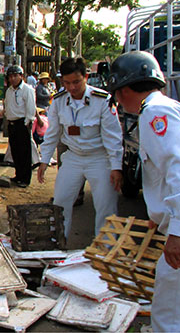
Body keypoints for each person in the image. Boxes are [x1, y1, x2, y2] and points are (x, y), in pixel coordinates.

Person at [108, 51, 180, 333]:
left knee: (174, 317)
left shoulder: (155, 114)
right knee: (174, 302)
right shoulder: (167, 107)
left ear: (122, 91)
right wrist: (163, 216)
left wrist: (179, 232)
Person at [37, 57, 123, 236]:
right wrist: (44, 160)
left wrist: (116, 166)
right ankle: (58, 245)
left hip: (99, 158)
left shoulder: (102, 100)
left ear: (86, 77)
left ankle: (105, 251)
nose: (72, 88)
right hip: (73, 157)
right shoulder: (59, 101)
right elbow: (52, 133)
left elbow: (113, 137)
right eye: (67, 83)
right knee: (60, 203)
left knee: (106, 206)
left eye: (76, 82)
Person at [4, 65, 36, 187]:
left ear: (21, 76)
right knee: (15, 152)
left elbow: (31, 108)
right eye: (10, 76)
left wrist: (27, 123)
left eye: (15, 76)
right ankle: (18, 175)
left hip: (22, 123)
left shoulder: (27, 90)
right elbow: (8, 106)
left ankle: (25, 179)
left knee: (24, 153)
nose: (12, 79)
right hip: (12, 124)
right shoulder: (9, 91)